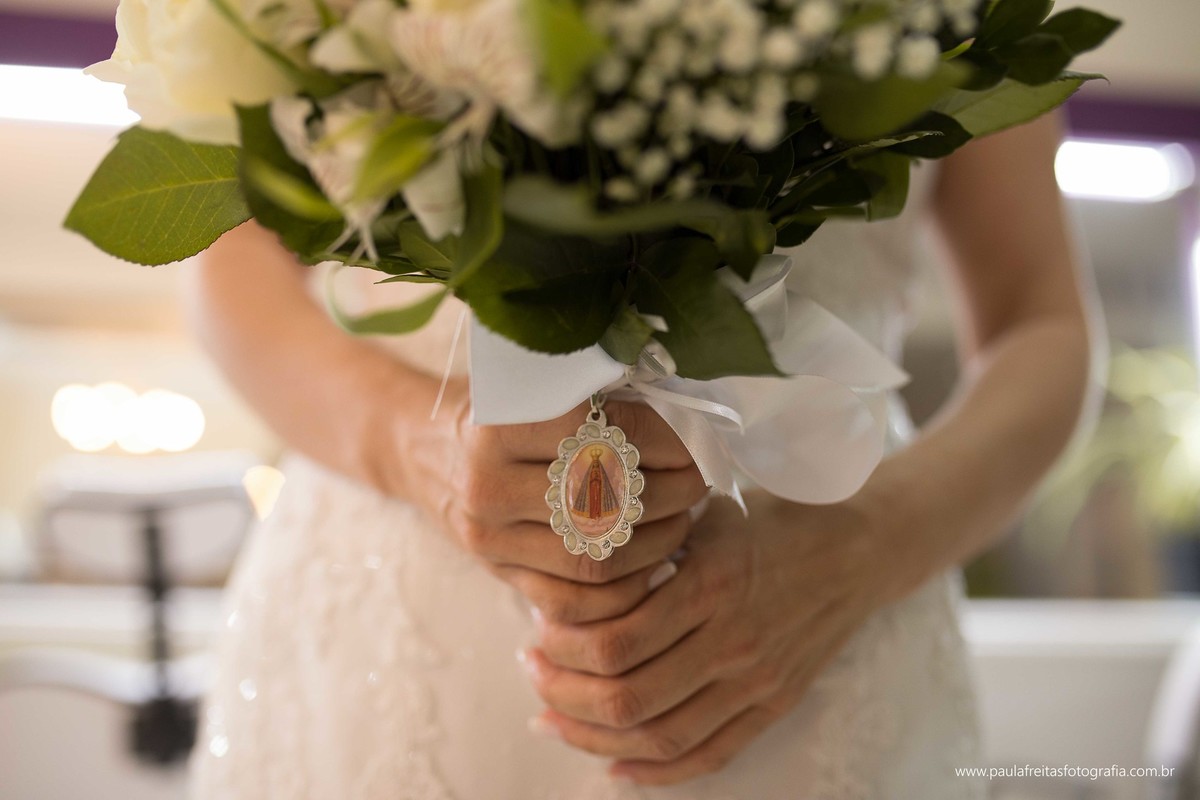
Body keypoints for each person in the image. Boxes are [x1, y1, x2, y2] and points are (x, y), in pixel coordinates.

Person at [184, 112, 1093, 799]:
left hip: (820, 647)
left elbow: (1041, 321)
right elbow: (229, 259)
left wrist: (862, 546)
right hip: (380, 642)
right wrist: (414, 442)